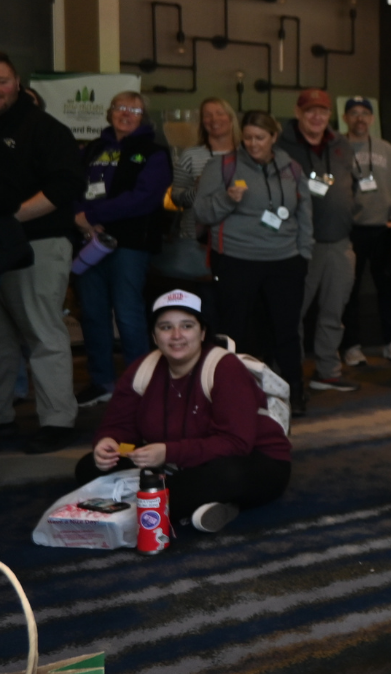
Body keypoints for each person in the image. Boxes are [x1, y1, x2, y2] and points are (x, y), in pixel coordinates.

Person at [78, 289, 290, 533]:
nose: (176, 335)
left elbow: (235, 443)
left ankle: (166, 500)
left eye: (187, 326)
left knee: (222, 476)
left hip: (250, 461)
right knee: (89, 467)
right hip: (177, 465)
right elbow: (119, 424)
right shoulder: (143, 368)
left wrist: (168, 452)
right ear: (154, 336)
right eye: (166, 327)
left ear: (202, 333)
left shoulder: (225, 368)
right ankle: (201, 505)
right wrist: (108, 442)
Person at [194, 111, 314, 417]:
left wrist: (303, 253)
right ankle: (233, 393)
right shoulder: (223, 166)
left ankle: (293, 391)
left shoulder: (292, 168)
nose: (252, 144)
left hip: (285, 261)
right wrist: (227, 199)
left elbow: (304, 213)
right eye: (247, 138)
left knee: (286, 330)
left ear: (274, 137)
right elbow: (202, 212)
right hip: (236, 260)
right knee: (236, 330)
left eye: (260, 137)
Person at [0, 53, 85, 453]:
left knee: (42, 334)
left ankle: (58, 421)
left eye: (2, 81)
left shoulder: (45, 129)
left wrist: (10, 219)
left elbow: (64, 186)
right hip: (2, 243)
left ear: (17, 82)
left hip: (37, 244)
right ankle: (2, 417)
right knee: (1, 340)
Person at [71, 90, 173, 408]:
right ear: (110, 111)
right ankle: (101, 381)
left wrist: (93, 215)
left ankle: (140, 384)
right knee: (92, 314)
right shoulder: (92, 149)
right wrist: (80, 217)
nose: (126, 114)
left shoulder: (154, 152)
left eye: (134, 110)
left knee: (128, 314)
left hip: (130, 245)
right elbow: (72, 186)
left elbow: (144, 198)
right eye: (120, 107)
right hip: (88, 243)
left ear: (143, 117)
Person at [277, 89, 359, 394]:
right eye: (310, 110)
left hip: (339, 242)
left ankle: (328, 371)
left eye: (322, 111)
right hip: (298, 244)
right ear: (298, 112)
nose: (316, 117)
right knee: (293, 312)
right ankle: (290, 374)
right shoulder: (281, 146)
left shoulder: (341, 145)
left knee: (334, 312)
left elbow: (353, 185)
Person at [339, 97, 391, 367]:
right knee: (350, 291)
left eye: (365, 113)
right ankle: (352, 346)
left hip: (384, 230)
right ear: (345, 118)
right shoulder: (338, 148)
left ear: (371, 118)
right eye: (354, 113)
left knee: (388, 289)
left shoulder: (386, 149)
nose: (360, 118)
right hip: (351, 231)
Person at [158, 97, 239, 285]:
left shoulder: (246, 155)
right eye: (207, 115)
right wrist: (198, 189)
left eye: (219, 113)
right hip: (196, 243)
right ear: (202, 121)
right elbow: (177, 198)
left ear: (230, 118)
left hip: (238, 242)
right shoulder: (190, 156)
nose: (214, 119)